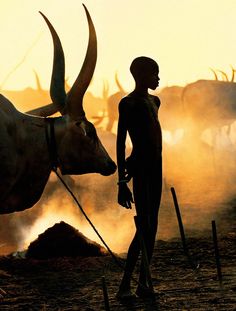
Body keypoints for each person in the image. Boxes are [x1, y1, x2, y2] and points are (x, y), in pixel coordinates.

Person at [116, 56, 162, 299]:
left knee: (152, 225)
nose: (158, 79)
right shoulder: (128, 104)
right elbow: (121, 141)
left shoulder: (155, 101)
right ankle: (125, 286)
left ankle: (144, 283)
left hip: (157, 169)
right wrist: (121, 182)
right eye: (155, 74)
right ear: (142, 76)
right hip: (141, 169)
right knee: (143, 226)